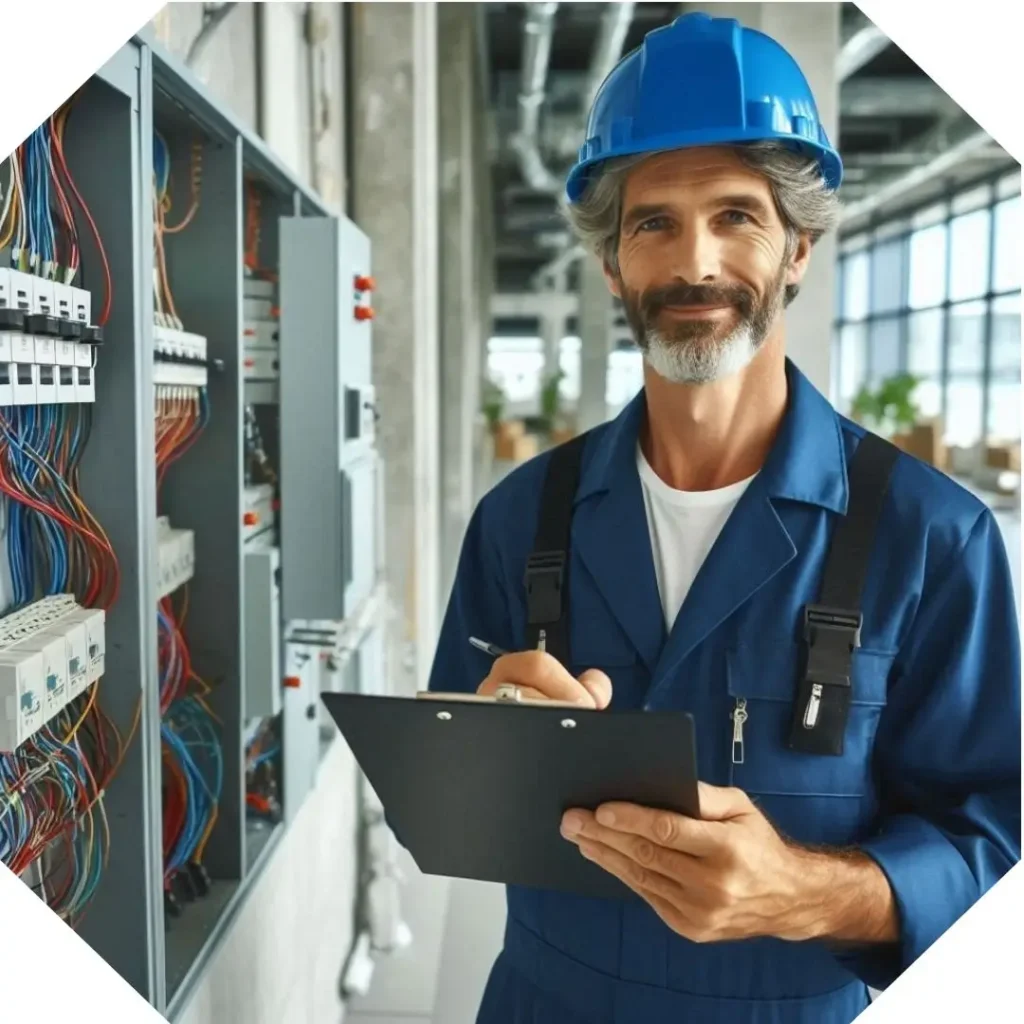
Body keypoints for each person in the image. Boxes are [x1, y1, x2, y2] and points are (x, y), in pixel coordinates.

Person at [428, 12, 1021, 1024]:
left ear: (797, 247)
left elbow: (992, 847)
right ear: (610, 263)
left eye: (736, 216)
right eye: (653, 220)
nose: (694, 262)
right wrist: (492, 747)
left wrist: (800, 890)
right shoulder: (521, 517)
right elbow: (446, 785)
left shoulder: (933, 539)